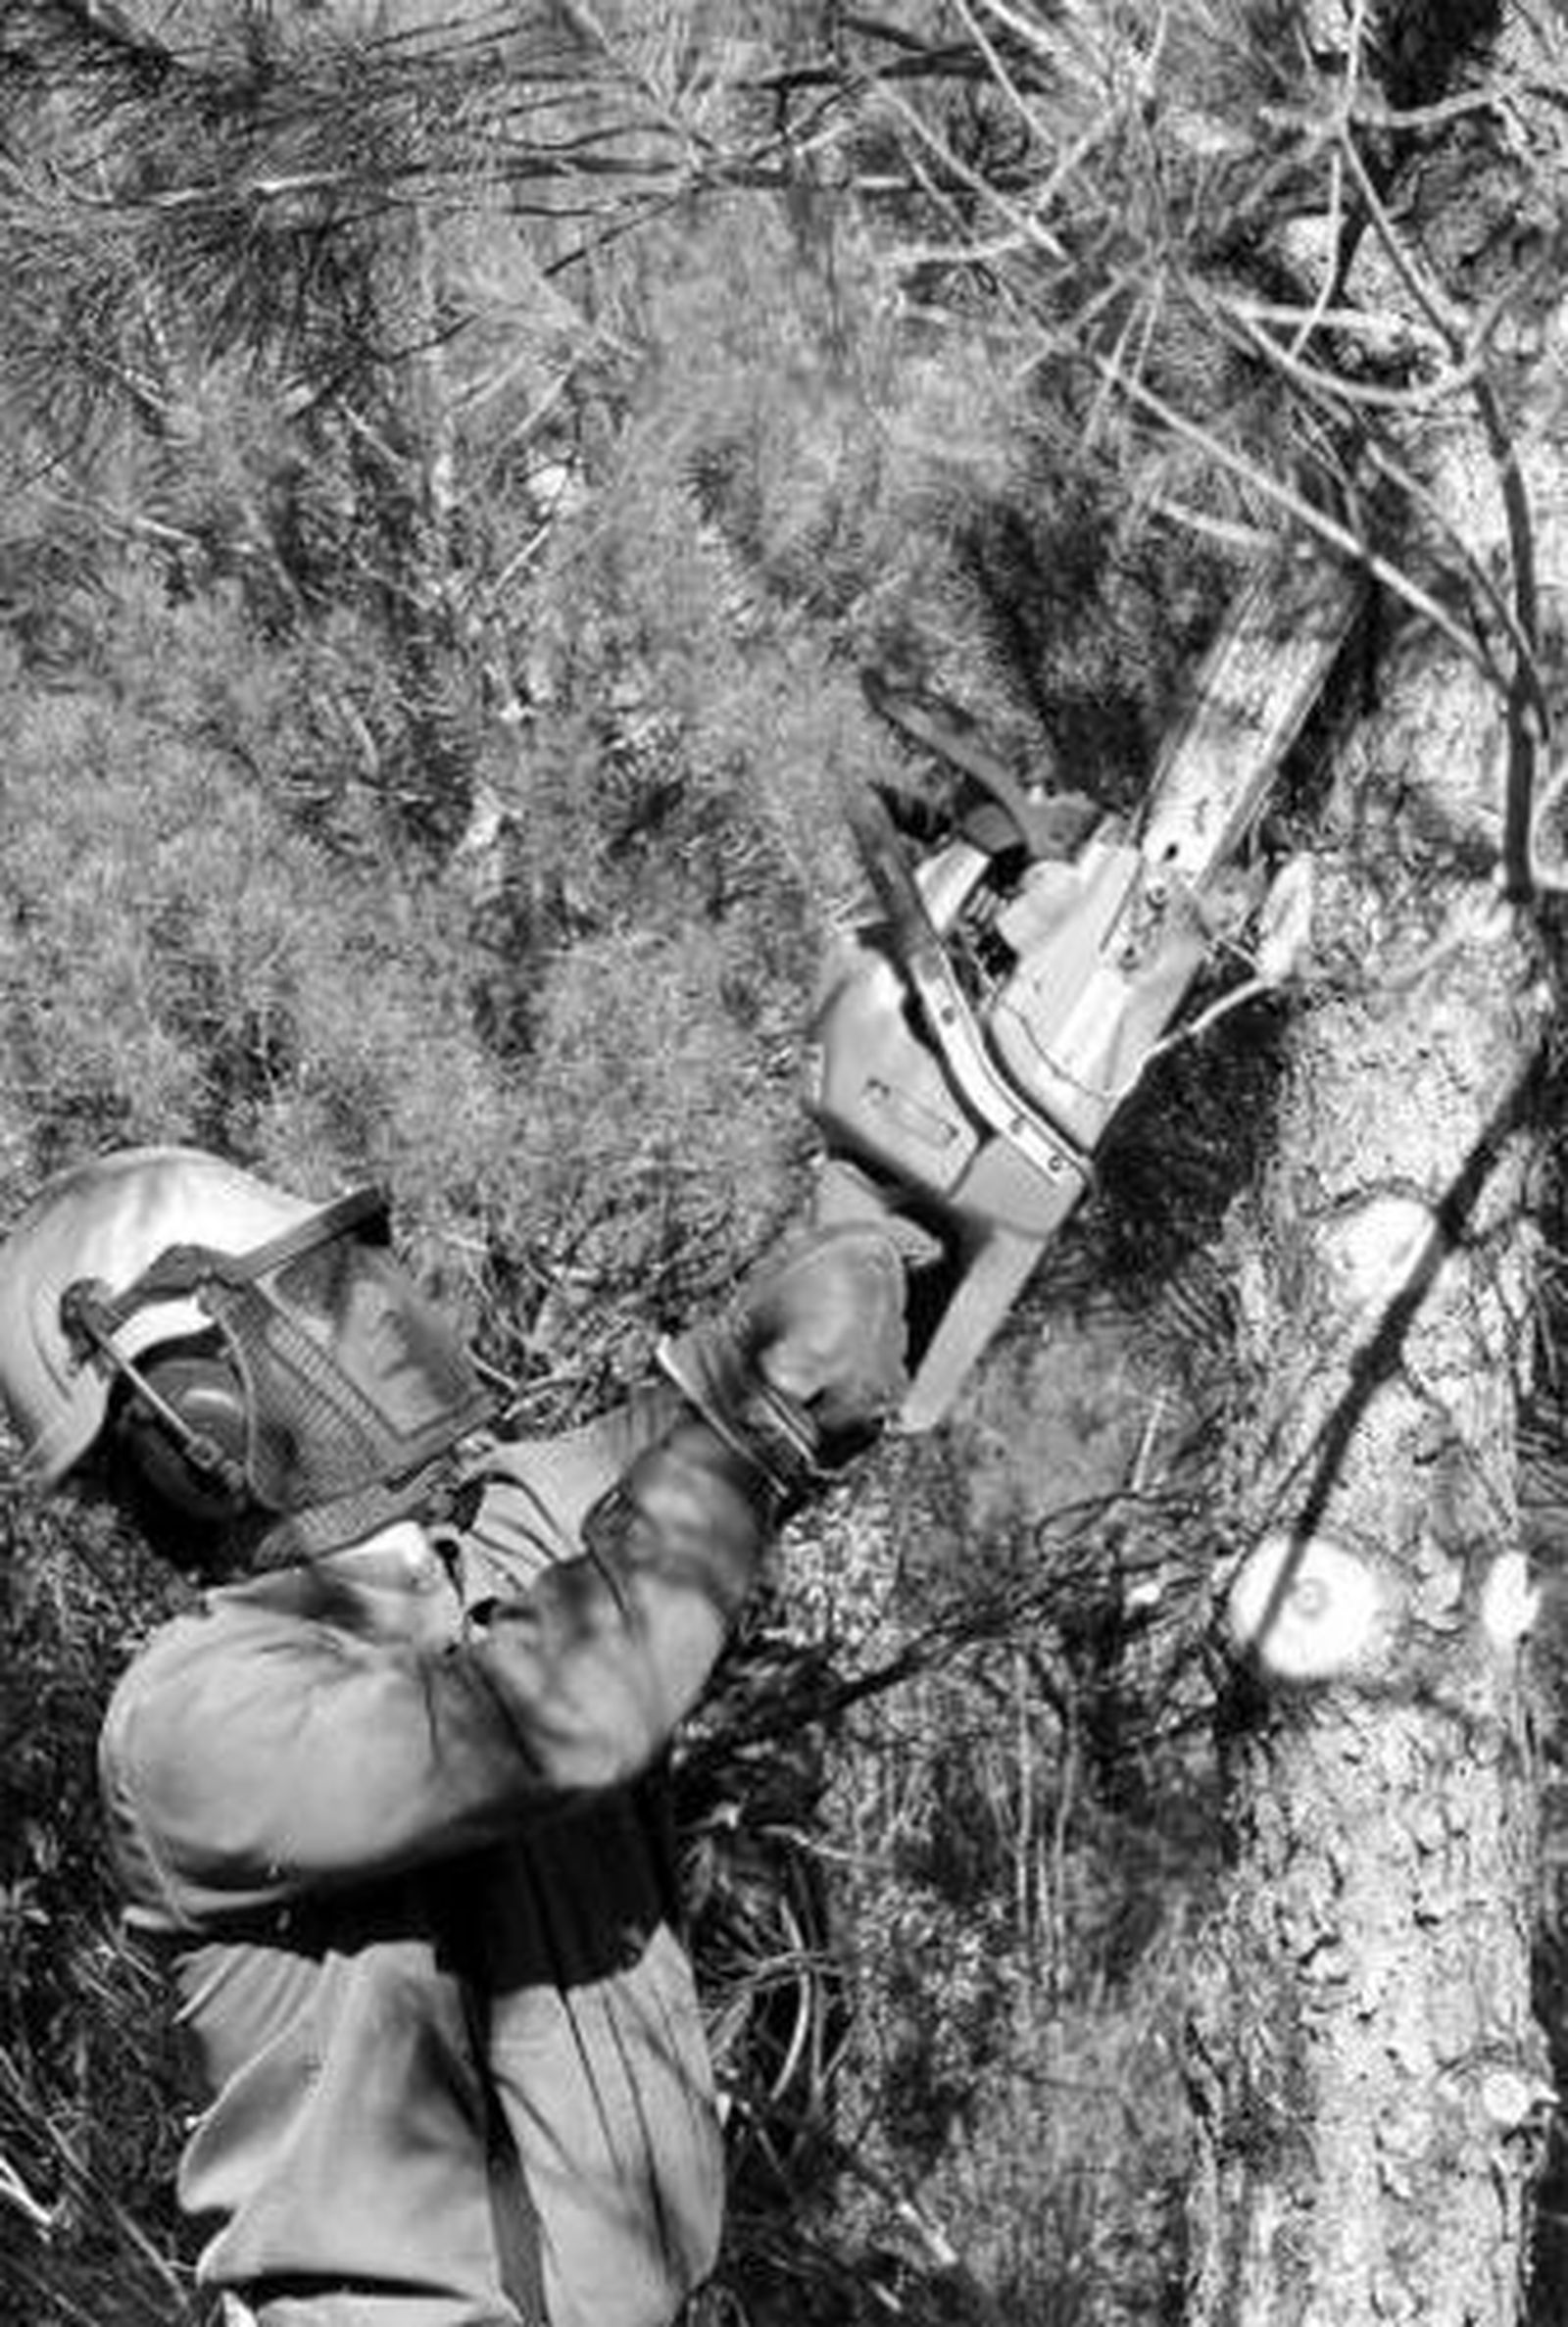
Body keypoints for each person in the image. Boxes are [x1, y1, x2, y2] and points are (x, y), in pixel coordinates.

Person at [0, 1145, 907, 2327]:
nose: (358, 1329)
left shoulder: (470, 1552)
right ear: (194, 1424)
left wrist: (888, 1224)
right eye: (306, 1306)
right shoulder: (194, 1722)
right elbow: (558, 1708)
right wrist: (760, 1431)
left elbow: (709, 1408)